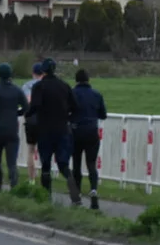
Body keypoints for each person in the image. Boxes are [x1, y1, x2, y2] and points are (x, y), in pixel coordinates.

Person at [24, 58, 81, 203]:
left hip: (45, 129)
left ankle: (47, 196)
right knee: (62, 162)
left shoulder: (39, 87)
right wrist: (67, 116)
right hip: (62, 128)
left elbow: (34, 106)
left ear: (42, 70)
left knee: (46, 165)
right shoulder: (64, 86)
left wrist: (26, 113)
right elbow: (75, 107)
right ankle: (69, 178)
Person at [0, 62, 29, 192]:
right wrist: (17, 113)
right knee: (12, 162)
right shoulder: (17, 90)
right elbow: (26, 107)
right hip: (11, 128)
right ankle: (14, 188)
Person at [70, 69, 107, 210]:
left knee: (76, 164)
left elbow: (68, 111)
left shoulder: (72, 94)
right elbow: (103, 115)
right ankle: (93, 190)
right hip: (92, 131)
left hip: (76, 131)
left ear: (76, 80)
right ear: (88, 80)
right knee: (91, 163)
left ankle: (77, 196)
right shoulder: (97, 94)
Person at [22, 63, 44, 183]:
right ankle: (45, 176)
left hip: (30, 119)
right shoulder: (46, 85)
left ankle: (32, 179)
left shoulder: (26, 86)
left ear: (33, 73)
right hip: (43, 120)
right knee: (44, 150)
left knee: (30, 150)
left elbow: (26, 102)